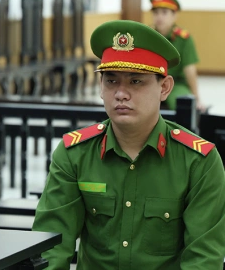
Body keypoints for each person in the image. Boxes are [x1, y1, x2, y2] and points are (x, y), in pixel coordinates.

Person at [32, 20, 225, 269]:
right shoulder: (75, 153)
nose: (121, 93)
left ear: (165, 87)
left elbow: (203, 259)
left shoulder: (198, 162)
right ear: (100, 87)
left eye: (136, 81)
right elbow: (51, 246)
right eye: (111, 81)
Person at [149, 0, 203, 111]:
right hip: (151, 82)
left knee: (183, 105)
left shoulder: (183, 39)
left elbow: (190, 70)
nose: (159, 17)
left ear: (174, 16)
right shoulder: (147, 36)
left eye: (164, 12)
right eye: (156, 12)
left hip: (176, 83)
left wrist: (197, 98)